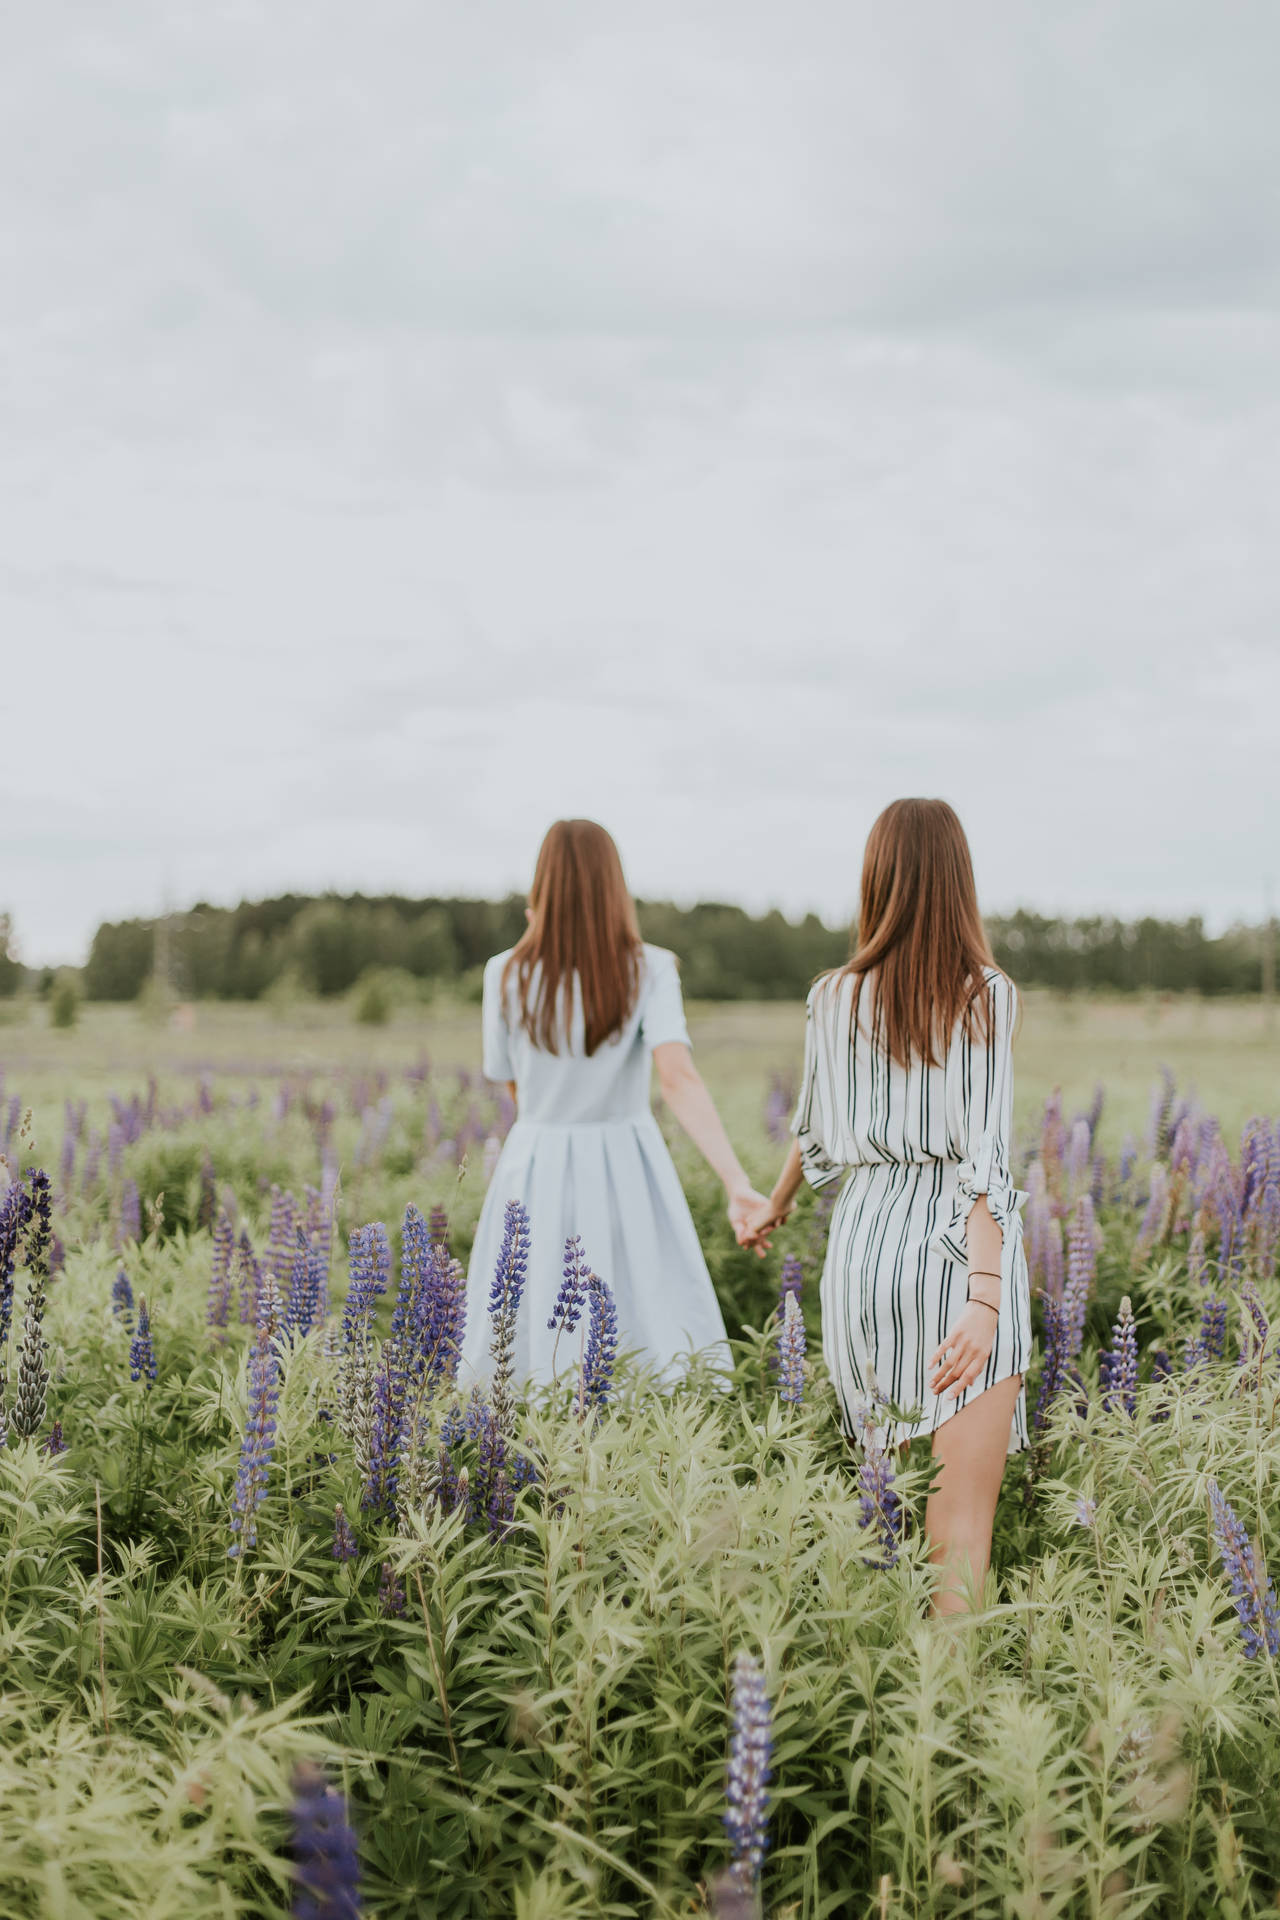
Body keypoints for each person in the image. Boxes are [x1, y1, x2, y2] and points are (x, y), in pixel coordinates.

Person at [741, 798, 1031, 1615]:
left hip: (862, 1264)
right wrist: (983, 1299)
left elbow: (814, 1129)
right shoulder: (985, 995)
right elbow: (986, 1159)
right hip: (953, 1260)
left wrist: (774, 1205)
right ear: (958, 882)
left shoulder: (832, 997)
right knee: (959, 1541)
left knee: (885, 1533)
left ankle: (885, 1718)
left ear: (878, 880)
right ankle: (947, 1728)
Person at [462, 818, 764, 1386]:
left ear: (541, 885)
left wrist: (555, 1104)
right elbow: (678, 1079)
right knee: (646, 1309)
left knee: (525, 1322)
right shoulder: (649, 966)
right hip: (627, 1157)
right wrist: (734, 1180)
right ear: (613, 886)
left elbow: (509, 1082)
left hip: (536, 1156)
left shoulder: (503, 971)